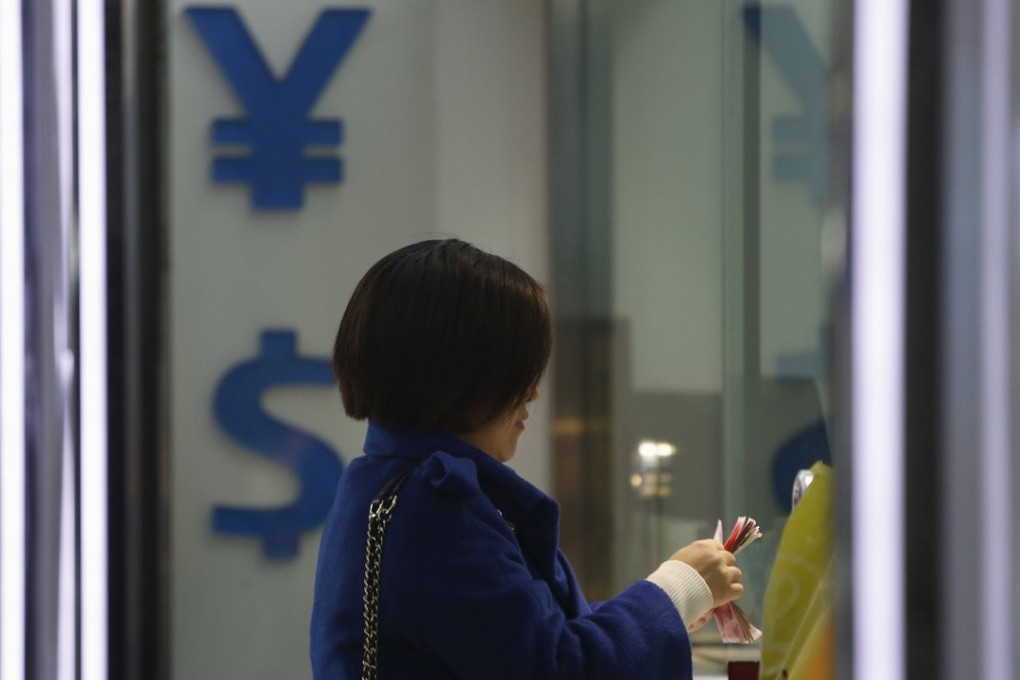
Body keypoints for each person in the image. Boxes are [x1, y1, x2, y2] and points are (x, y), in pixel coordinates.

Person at [310, 239, 744, 679]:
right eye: (518, 371)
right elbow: (551, 667)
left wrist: (660, 618)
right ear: (466, 374)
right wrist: (677, 588)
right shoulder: (435, 507)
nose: (532, 393)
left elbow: (512, 637)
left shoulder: (383, 484)